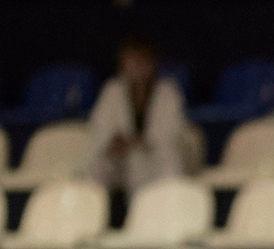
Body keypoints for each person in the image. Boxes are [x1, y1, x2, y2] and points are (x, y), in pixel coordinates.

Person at [85, 35, 198, 191]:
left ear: (150, 63)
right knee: (97, 162)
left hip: (156, 157)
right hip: (119, 161)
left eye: (139, 62)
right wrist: (113, 141)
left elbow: (170, 132)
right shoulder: (112, 90)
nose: (135, 67)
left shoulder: (167, 91)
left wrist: (137, 141)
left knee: (153, 159)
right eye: (129, 61)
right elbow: (100, 126)